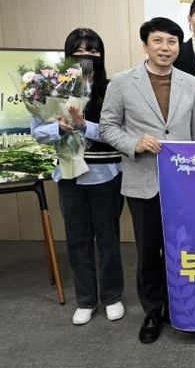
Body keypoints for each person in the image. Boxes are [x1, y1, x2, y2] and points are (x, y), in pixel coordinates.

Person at [100, 17, 195, 344]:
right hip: (143, 180)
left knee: (183, 249)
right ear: (145, 45)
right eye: (158, 41)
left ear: (178, 47)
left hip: (183, 185)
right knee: (148, 251)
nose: (165, 48)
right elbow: (107, 127)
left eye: (172, 42)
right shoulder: (122, 82)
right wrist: (134, 143)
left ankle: (182, 309)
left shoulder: (190, 83)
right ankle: (152, 311)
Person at [31, 28, 125, 325]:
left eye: (92, 50)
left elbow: (119, 132)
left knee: (108, 239)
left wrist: (86, 126)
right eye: (79, 50)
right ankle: (86, 300)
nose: (86, 55)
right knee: (77, 240)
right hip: (70, 176)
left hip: (106, 175)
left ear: (101, 54)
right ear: (68, 55)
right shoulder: (52, 88)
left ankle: (112, 296)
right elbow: (37, 132)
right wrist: (58, 128)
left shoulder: (112, 88)